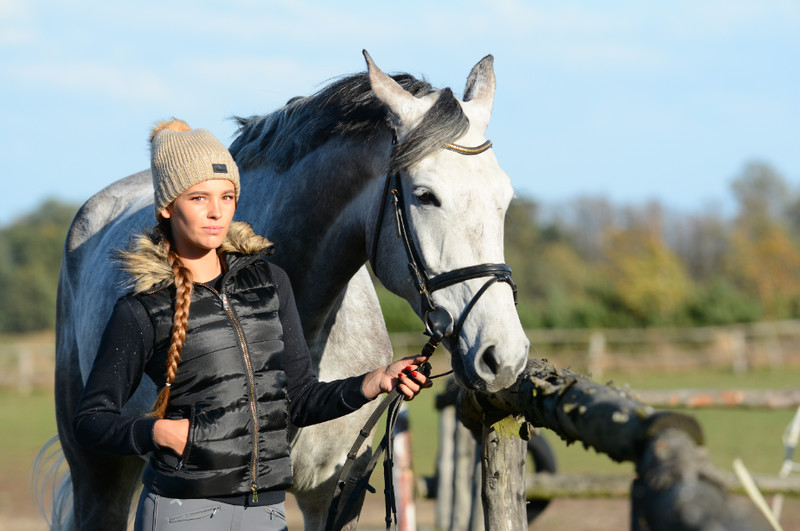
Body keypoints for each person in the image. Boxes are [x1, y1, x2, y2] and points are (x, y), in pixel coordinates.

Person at [72, 119, 431, 531]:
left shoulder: (271, 283)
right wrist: (159, 433)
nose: (215, 211)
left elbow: (298, 399)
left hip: (265, 514)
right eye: (198, 198)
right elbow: (91, 421)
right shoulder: (143, 308)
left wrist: (375, 380)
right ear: (167, 207)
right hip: (182, 514)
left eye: (227, 196)